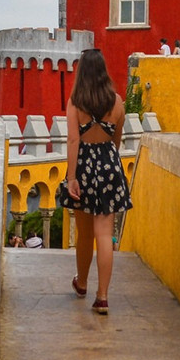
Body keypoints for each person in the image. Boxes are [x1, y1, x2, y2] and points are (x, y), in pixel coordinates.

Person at [56, 48, 133, 315]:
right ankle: (102, 297)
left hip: (85, 165)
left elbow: (74, 140)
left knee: (85, 233)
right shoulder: (117, 102)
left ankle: (82, 283)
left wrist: (72, 177)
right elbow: (117, 140)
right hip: (109, 163)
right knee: (104, 233)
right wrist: (107, 159)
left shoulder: (76, 102)